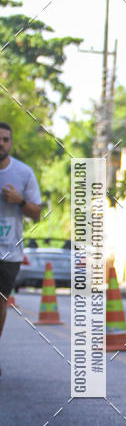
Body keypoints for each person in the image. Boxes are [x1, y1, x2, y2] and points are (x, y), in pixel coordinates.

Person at [0, 122, 43, 375]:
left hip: (9, 251)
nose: (1, 144)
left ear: (11, 143)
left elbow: (36, 213)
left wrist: (19, 201)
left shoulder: (24, 173)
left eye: (5, 139)